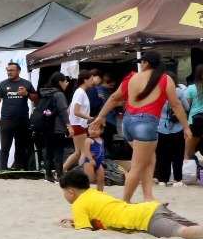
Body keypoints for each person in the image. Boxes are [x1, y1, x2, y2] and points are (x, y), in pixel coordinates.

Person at [90, 51, 191, 204]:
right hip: (146, 124)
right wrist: (186, 127)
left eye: (141, 62)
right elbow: (176, 105)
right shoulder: (165, 79)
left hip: (128, 123)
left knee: (150, 159)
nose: (140, 65)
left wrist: (100, 116)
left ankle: (148, 197)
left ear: (146, 63)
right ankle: (125, 202)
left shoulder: (131, 78)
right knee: (138, 166)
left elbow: (114, 98)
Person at [57, 167, 201, 239]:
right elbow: (102, 214)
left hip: (145, 219)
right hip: (152, 207)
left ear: (70, 192)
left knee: (182, 232)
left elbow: (84, 233)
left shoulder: (78, 204)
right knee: (194, 227)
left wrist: (69, 226)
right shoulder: (96, 194)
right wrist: (75, 220)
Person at [0, 61, 38, 171]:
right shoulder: (3, 84)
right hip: (7, 120)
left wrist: (27, 94)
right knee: (5, 146)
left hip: (22, 120)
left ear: (19, 71)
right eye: (8, 70)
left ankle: (17, 168)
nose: (9, 72)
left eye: (12, 70)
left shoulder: (26, 84)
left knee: (20, 146)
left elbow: (36, 99)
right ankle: (3, 168)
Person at [33, 71, 71, 182]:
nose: (66, 84)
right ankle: (60, 175)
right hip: (57, 127)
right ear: (60, 82)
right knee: (58, 151)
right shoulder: (59, 94)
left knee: (48, 151)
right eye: (65, 81)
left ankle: (48, 175)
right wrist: (69, 126)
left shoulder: (45, 93)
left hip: (45, 126)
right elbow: (63, 111)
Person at [154, 65, 187, 187]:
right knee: (177, 155)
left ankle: (162, 179)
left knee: (162, 155)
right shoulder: (178, 92)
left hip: (161, 127)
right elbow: (186, 107)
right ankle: (178, 180)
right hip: (177, 128)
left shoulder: (157, 93)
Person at [63, 69, 96, 175]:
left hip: (77, 124)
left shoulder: (79, 92)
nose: (93, 81)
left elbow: (70, 110)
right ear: (85, 80)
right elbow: (75, 111)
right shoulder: (80, 93)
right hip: (78, 124)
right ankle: (81, 173)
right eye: (91, 79)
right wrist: (89, 117)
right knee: (83, 151)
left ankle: (62, 171)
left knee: (78, 152)